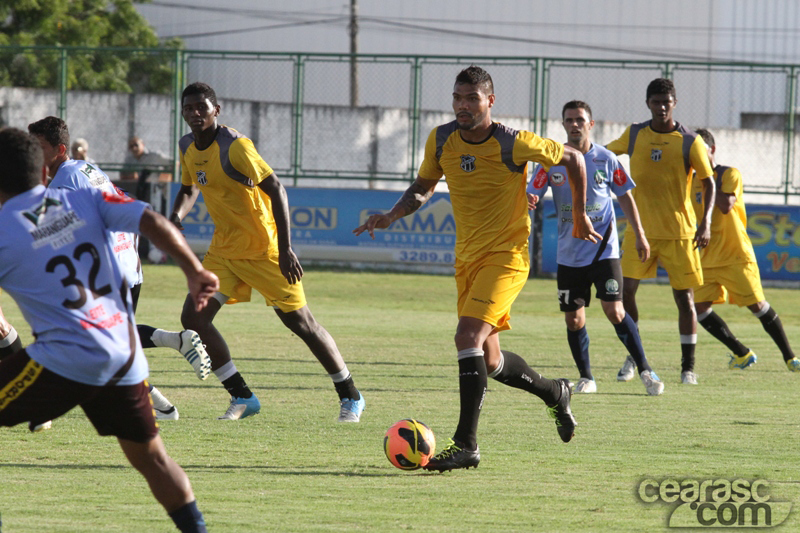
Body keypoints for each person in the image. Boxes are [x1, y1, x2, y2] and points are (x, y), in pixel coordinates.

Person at [355, 66, 600, 472]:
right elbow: (423, 186)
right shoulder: (442, 138)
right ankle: (555, 393)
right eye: (457, 97)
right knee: (489, 361)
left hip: (507, 256)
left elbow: (573, 158)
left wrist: (577, 216)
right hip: (467, 258)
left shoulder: (512, 142)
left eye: (472, 98)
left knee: (466, 335)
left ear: (490, 101)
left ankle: (466, 444)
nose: (463, 105)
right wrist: (392, 214)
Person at [0, 126, 215, 531]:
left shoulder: (4, 231)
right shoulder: (83, 197)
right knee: (153, 460)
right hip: (123, 352)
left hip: (67, 359)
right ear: (43, 173)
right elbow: (149, 219)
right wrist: (194, 270)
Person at [169, 82, 365, 422]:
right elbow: (189, 187)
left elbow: (276, 188)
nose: (196, 113)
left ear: (217, 110)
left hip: (264, 249)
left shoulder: (237, 147)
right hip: (224, 250)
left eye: (202, 106)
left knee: (301, 323)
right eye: (189, 108)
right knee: (194, 318)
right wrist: (175, 216)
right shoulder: (187, 145)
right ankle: (242, 396)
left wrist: (287, 248)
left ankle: (351, 395)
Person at [28, 116, 211, 420]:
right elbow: (123, 204)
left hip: (106, 269)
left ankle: (45, 406)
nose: (32, 152)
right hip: (126, 262)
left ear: (59, 149)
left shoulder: (63, 181)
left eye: (38, 146)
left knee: (93, 343)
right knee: (108, 342)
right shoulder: (88, 169)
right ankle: (167, 371)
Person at [527, 100, 664, 395]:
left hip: (605, 250)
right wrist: (531, 199)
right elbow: (531, 192)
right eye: (569, 120)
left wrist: (639, 233)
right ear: (563, 125)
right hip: (569, 253)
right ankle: (586, 377)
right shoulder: (552, 160)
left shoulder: (606, 158)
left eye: (580, 120)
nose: (575, 125)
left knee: (615, 310)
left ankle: (645, 370)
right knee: (574, 318)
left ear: (590, 124)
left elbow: (625, 196)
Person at [606, 78, 715, 385]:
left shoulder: (690, 141)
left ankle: (687, 367)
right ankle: (634, 357)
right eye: (656, 101)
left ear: (674, 103)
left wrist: (705, 222)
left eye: (667, 101)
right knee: (625, 293)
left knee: (684, 299)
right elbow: (603, 154)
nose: (661, 107)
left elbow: (709, 181)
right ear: (648, 104)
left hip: (680, 233)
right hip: (640, 231)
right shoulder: (635, 133)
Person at [691, 129, 799, 372]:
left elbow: (726, 205)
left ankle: (790, 357)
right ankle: (741, 353)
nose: (695, 157)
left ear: (712, 150)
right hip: (705, 257)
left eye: (700, 151)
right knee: (698, 308)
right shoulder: (689, 181)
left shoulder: (729, 174)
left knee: (757, 305)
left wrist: (705, 179)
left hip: (735, 255)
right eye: (692, 153)